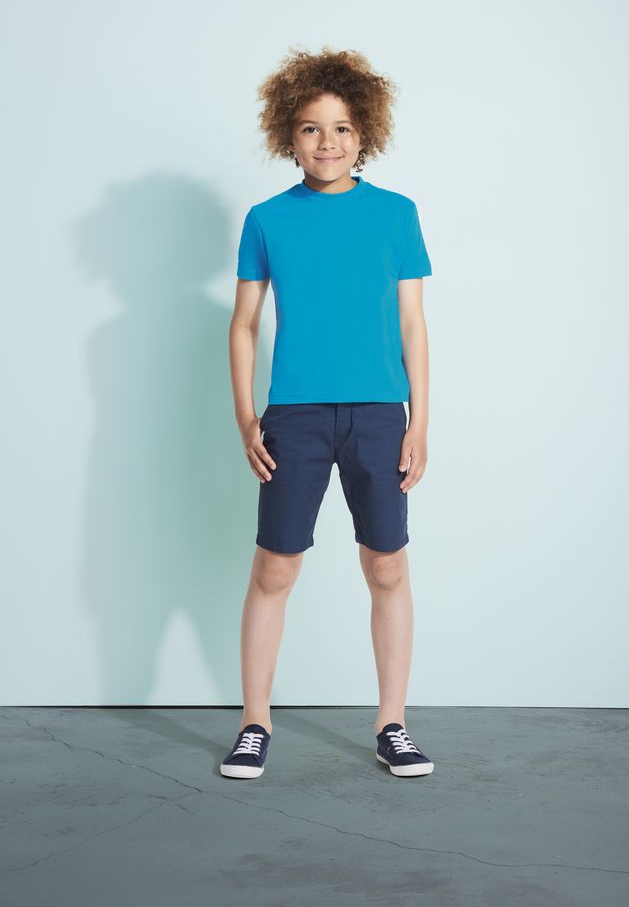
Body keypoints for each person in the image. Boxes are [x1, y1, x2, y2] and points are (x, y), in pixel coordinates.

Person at [221, 46, 434, 780]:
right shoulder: (267, 220)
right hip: (295, 418)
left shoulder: (396, 214)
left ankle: (392, 723)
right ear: (290, 134)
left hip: (379, 415)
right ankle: (254, 723)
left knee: (387, 566)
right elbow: (243, 324)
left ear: (363, 132)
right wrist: (247, 418)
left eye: (341, 128)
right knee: (275, 568)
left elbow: (412, 327)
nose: (327, 142)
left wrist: (419, 421)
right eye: (311, 128)